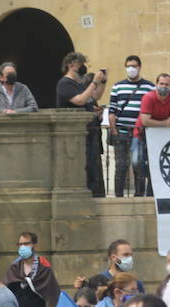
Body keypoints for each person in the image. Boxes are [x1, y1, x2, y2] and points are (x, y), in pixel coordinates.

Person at [56, 51, 108, 197]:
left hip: (89, 132)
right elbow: (80, 100)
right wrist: (95, 82)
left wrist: (103, 82)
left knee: (90, 169)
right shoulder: (64, 83)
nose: (83, 67)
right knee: (80, 169)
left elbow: (94, 96)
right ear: (71, 65)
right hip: (75, 134)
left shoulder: (79, 83)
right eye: (81, 64)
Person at [4, 231, 61, 307]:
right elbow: (5, 295)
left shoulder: (44, 268)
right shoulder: (14, 268)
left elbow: (54, 298)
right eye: (20, 244)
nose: (22, 247)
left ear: (34, 245)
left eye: (26, 244)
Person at [107, 55, 152, 197]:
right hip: (121, 131)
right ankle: (118, 196)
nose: (131, 69)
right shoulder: (117, 86)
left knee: (138, 165)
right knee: (121, 165)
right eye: (128, 66)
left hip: (139, 132)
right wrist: (114, 130)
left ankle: (139, 195)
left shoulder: (149, 87)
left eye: (134, 66)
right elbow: (112, 110)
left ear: (140, 67)